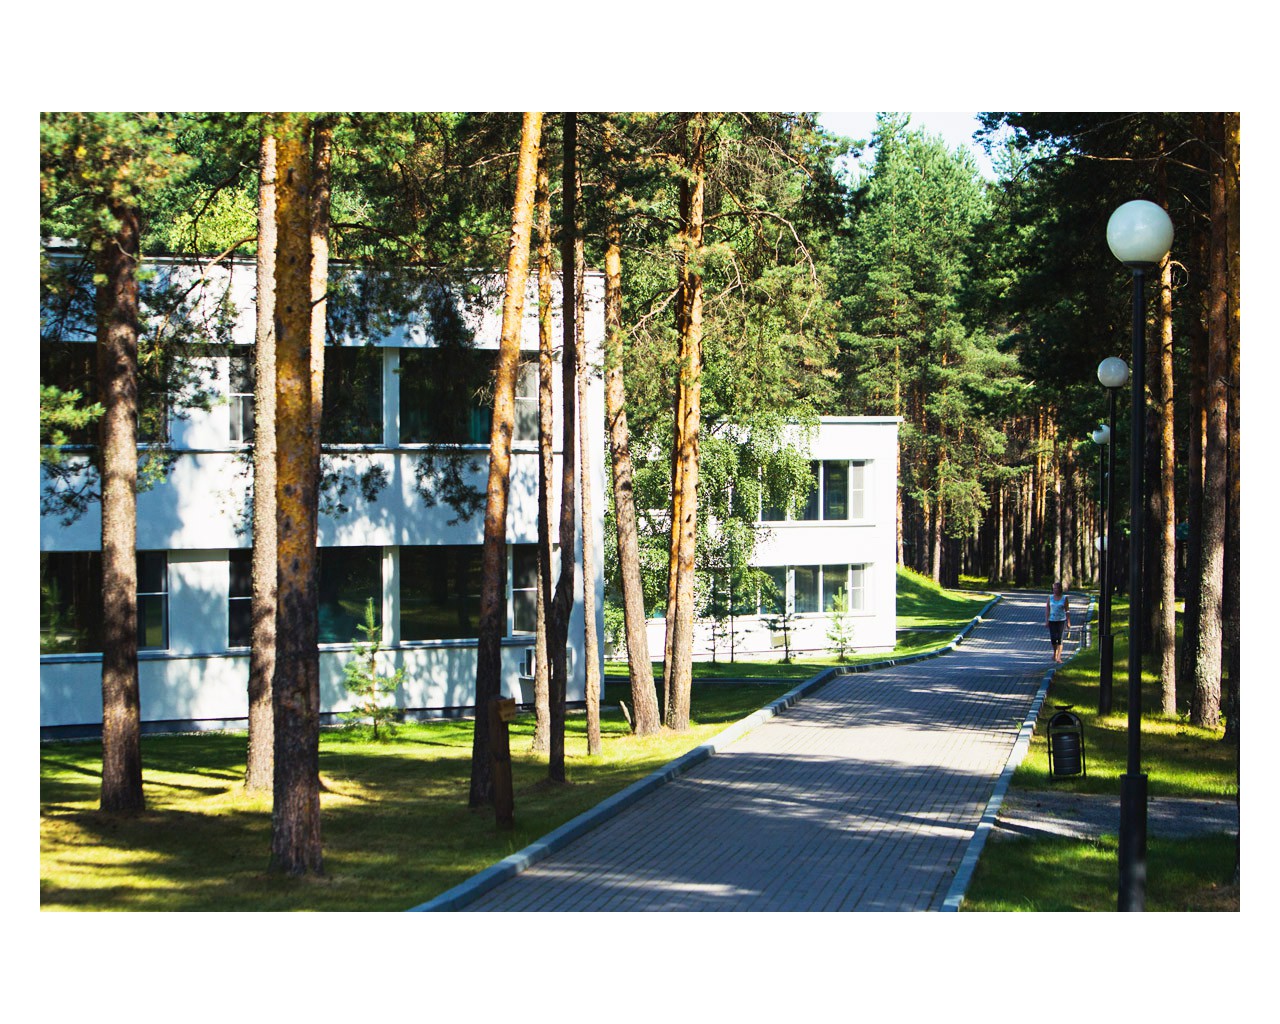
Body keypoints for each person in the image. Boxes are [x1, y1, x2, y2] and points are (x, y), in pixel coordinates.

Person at [1046, 582, 1071, 663]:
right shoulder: (1050, 598)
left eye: (1056, 588)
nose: (1055, 590)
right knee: (1053, 638)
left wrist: (1068, 621)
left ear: (1060, 589)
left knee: (1059, 638)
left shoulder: (1064, 598)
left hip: (1061, 620)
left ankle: (1059, 657)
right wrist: (1047, 620)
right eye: (1053, 589)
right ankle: (1055, 652)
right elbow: (1048, 610)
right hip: (1052, 620)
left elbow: (1067, 610)